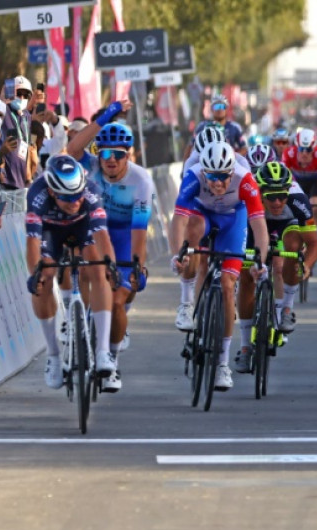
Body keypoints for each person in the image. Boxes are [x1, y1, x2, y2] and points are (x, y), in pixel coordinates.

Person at [170, 141, 269, 391]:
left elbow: (259, 225)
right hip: (203, 216)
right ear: (204, 172)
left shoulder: (245, 179)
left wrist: (260, 260)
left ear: (231, 172)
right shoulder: (193, 176)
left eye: (223, 177)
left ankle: (222, 363)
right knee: (192, 231)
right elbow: (179, 219)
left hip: (233, 221)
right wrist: (177, 254)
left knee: (227, 285)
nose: (217, 183)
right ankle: (187, 303)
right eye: (212, 177)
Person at [66, 121, 153, 391]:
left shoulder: (141, 181)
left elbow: (139, 231)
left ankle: (111, 362)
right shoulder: (91, 167)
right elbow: (72, 149)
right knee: (83, 269)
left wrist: (138, 267)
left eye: (118, 154)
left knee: (117, 302)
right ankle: (78, 324)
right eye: (105, 153)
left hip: (125, 235)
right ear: (98, 154)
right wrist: (105, 117)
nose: (111, 159)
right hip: (94, 229)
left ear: (129, 155)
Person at [25, 156, 116, 389]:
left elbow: (102, 235)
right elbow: (33, 241)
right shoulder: (37, 195)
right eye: (67, 198)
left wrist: (111, 266)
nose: (74, 202)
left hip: (82, 226)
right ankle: (53, 356)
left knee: (99, 269)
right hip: (50, 230)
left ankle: (103, 351)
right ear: (52, 192)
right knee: (43, 279)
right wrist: (35, 274)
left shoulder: (91, 191)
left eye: (78, 196)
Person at [234, 162, 317, 371]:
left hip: (287, 225)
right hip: (256, 222)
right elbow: (237, 234)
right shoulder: (248, 197)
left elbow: (314, 244)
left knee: (293, 246)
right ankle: (245, 347)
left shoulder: (298, 201)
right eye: (271, 197)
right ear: (260, 192)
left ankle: (286, 309)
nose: (277, 202)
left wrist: (307, 266)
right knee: (246, 278)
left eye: (282, 196)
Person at [0, 76, 33, 190]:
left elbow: (27, 145)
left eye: (26, 95)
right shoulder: (4, 109)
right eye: (18, 93)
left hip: (21, 180)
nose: (22, 98)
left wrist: (28, 176)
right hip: (4, 179)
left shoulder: (27, 116)